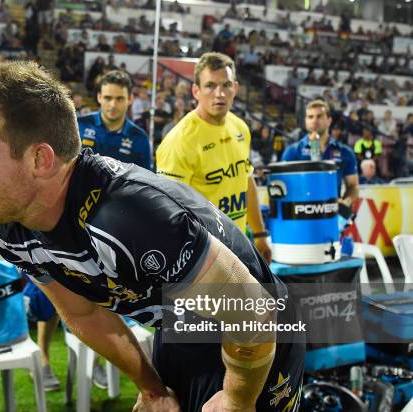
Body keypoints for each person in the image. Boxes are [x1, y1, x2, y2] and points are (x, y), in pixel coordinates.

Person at [0, 62, 304, 412]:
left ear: (40, 160)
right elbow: (82, 312)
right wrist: (152, 390)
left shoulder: (128, 216)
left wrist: (238, 400)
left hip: (258, 326)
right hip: (185, 325)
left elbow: (253, 311)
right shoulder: (5, 224)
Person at [156, 53, 271, 262]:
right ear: (196, 91)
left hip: (240, 246)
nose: (219, 93)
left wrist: (260, 233)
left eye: (226, 85)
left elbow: (247, 181)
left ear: (235, 88)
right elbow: (167, 214)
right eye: (210, 86)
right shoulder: (179, 141)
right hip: (202, 255)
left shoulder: (240, 128)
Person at [282, 99, 359, 209]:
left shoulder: (345, 152)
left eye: (319, 116)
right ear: (305, 121)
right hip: (300, 216)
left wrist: (346, 202)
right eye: (310, 117)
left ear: (329, 120)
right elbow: (283, 185)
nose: (314, 121)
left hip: (331, 215)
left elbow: (353, 186)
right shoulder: (293, 151)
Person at [77, 70, 152, 171]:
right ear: (99, 97)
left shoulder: (140, 138)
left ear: (130, 99)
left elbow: (146, 181)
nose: (113, 105)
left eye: (119, 99)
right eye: (108, 98)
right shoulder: (78, 126)